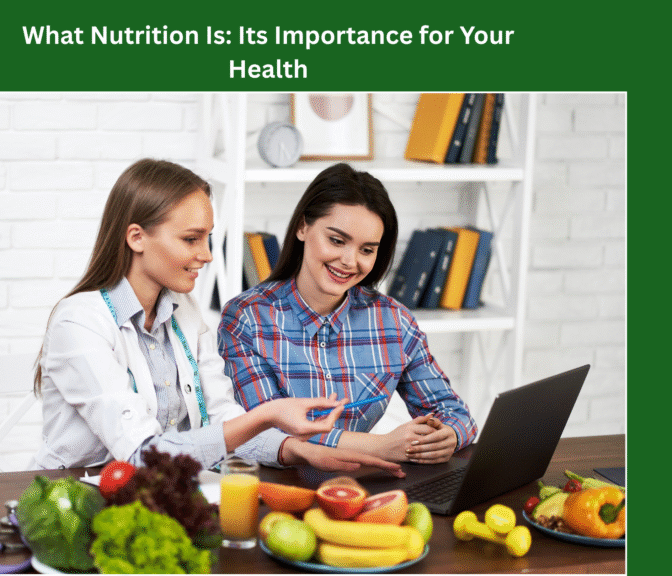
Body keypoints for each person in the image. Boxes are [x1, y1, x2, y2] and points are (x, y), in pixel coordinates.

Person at [32, 158, 403, 476]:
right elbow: (144, 456)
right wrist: (267, 415)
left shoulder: (183, 310)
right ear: (137, 237)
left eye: (208, 238)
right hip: (73, 507)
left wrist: (293, 449)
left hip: (162, 496)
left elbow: (222, 417)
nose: (208, 255)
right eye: (192, 240)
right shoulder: (79, 322)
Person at [219, 163, 478, 465]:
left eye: (367, 250)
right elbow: (267, 431)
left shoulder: (394, 322)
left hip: (364, 487)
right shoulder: (247, 318)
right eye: (337, 241)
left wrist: (447, 435)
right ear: (303, 227)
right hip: (278, 488)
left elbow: (454, 414)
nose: (349, 261)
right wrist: (381, 446)